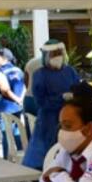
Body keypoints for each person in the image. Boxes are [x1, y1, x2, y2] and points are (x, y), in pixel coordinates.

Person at [22, 40, 80, 170]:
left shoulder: (70, 71)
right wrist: (60, 98)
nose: (57, 57)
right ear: (46, 56)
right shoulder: (40, 75)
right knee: (45, 154)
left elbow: (78, 88)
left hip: (70, 119)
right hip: (48, 121)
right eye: (54, 54)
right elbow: (41, 102)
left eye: (59, 53)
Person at [0, 48, 26, 160]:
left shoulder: (1, 72)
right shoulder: (19, 70)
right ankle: (22, 156)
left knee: (6, 134)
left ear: (3, 58)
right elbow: (26, 86)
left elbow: (5, 90)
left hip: (5, 107)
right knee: (17, 131)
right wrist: (20, 99)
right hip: (17, 108)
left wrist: (16, 99)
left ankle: (7, 158)